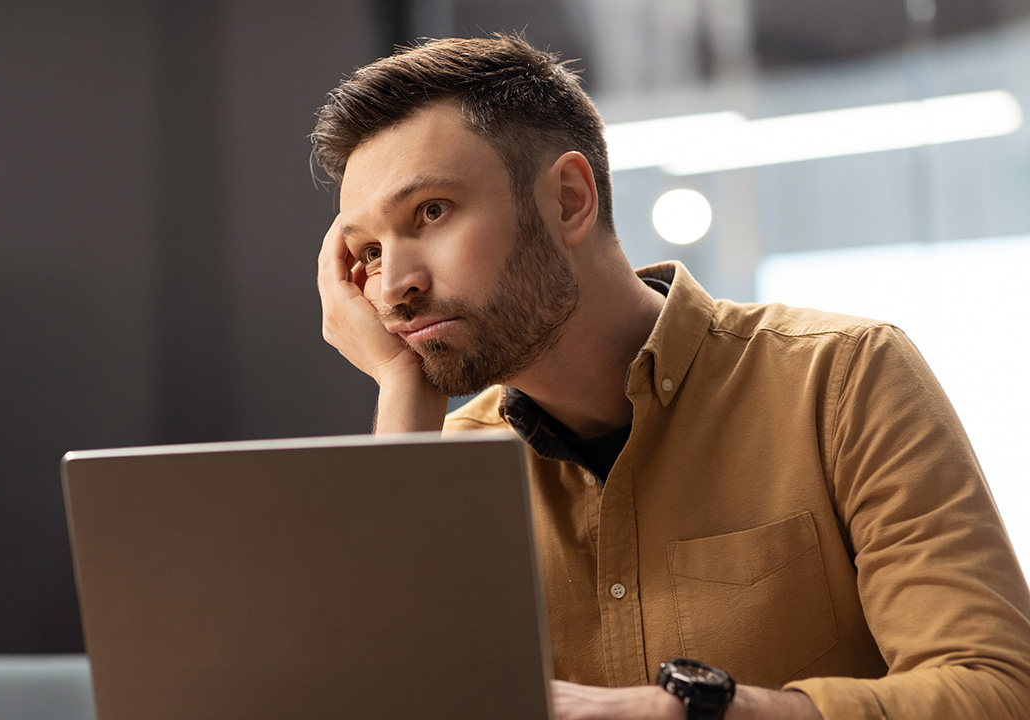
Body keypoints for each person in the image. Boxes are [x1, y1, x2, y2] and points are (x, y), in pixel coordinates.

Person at [311, 34, 1030, 720]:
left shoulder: (840, 378)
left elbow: (996, 693)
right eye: (367, 252)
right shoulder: (446, 463)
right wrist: (401, 388)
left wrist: (686, 709)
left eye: (430, 212)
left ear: (567, 200)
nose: (393, 286)